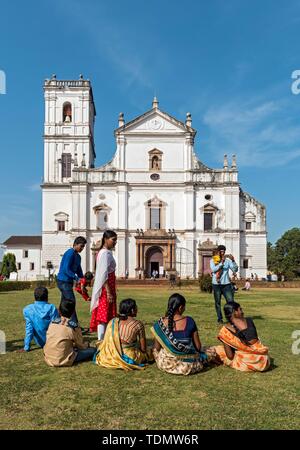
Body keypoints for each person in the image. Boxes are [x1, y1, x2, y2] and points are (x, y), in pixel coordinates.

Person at [151, 293, 217, 375]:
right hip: (188, 366)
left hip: (166, 364)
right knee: (211, 351)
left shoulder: (160, 324)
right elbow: (198, 347)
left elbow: (156, 348)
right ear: (180, 307)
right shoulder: (189, 321)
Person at [94, 298, 153, 370]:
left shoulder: (113, 321)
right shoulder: (138, 324)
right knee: (150, 351)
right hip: (127, 357)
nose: (137, 309)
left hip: (108, 354)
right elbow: (143, 348)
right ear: (132, 310)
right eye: (136, 307)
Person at [213, 302, 270, 372]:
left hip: (248, 362)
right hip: (264, 360)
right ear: (235, 312)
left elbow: (230, 356)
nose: (242, 312)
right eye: (240, 309)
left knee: (218, 350)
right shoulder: (249, 321)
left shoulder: (224, 331)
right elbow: (253, 342)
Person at [43, 299, 96, 367]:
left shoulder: (52, 323)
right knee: (93, 350)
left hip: (48, 357)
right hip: (63, 359)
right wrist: (87, 345)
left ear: (59, 311)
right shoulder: (73, 326)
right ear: (72, 312)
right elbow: (81, 346)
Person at [90, 230, 118, 340]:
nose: (115, 242)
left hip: (108, 286)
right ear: (106, 239)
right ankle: (101, 340)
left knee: (105, 313)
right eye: (113, 240)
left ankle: (104, 339)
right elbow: (103, 273)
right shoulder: (105, 253)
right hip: (106, 287)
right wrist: (109, 291)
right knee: (103, 314)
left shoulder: (104, 252)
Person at [19, 287, 59, 352]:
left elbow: (29, 329)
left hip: (40, 342)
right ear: (47, 296)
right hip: (53, 341)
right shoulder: (52, 308)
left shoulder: (28, 309)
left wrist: (26, 347)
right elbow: (56, 327)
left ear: (35, 296)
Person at [57, 236, 87, 322]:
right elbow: (66, 269)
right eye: (81, 246)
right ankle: (75, 324)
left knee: (64, 303)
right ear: (75, 244)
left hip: (68, 282)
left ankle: (58, 321)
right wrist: (76, 279)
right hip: (63, 281)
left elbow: (79, 270)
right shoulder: (70, 253)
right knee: (71, 302)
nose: (82, 248)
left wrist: (82, 280)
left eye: (83, 247)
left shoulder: (78, 257)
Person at [210, 245, 238, 324]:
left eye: (224, 251)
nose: (223, 253)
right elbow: (213, 269)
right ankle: (220, 318)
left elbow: (235, 269)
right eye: (221, 251)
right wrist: (221, 264)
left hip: (226, 284)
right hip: (216, 284)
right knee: (217, 302)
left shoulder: (228, 261)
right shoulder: (213, 260)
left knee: (230, 302)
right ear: (218, 252)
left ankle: (232, 318)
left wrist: (233, 261)